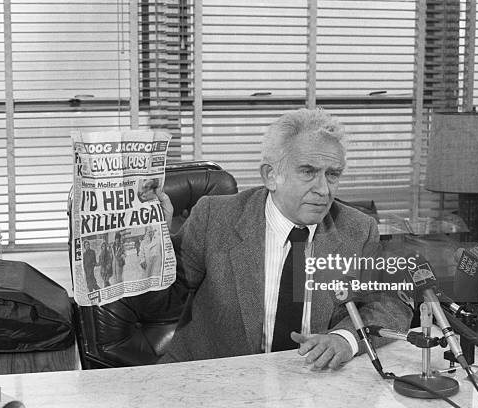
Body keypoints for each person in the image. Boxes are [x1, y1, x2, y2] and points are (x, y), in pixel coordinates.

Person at [155, 108, 412, 368]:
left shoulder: (357, 229)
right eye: (308, 172)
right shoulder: (215, 218)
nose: (323, 190)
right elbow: (162, 303)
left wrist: (345, 338)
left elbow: (391, 304)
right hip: (214, 378)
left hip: (310, 380)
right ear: (270, 176)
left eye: (333, 174)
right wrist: (153, 242)